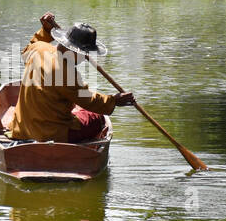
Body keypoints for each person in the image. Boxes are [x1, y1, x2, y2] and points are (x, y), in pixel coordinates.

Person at [7, 12, 135, 142]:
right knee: (97, 118)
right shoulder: (67, 73)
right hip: (50, 133)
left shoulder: (38, 49)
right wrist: (113, 100)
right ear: (74, 51)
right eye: (84, 53)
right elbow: (88, 100)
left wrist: (45, 30)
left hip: (21, 128)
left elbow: (30, 47)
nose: (85, 57)